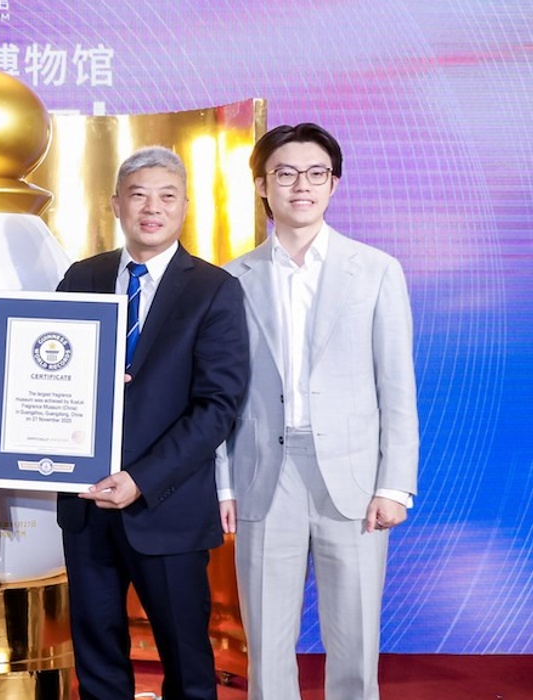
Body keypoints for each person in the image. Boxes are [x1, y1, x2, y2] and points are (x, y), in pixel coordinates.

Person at [216, 123, 418, 700]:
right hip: (263, 475)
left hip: (353, 478)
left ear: (334, 184)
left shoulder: (376, 270)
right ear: (262, 185)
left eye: (315, 173)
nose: (300, 185)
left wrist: (394, 485)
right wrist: (223, 483)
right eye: (285, 173)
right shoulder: (231, 279)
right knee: (266, 642)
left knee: (355, 639)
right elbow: (221, 393)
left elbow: (396, 386)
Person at [55, 147, 250, 700]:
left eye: (167, 196)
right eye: (138, 195)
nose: (152, 208)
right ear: (116, 203)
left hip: (167, 505)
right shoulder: (83, 276)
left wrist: (140, 478)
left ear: (185, 206)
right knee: (97, 659)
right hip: (86, 503)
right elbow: (50, 372)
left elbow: (217, 406)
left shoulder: (213, 289)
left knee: (187, 662)